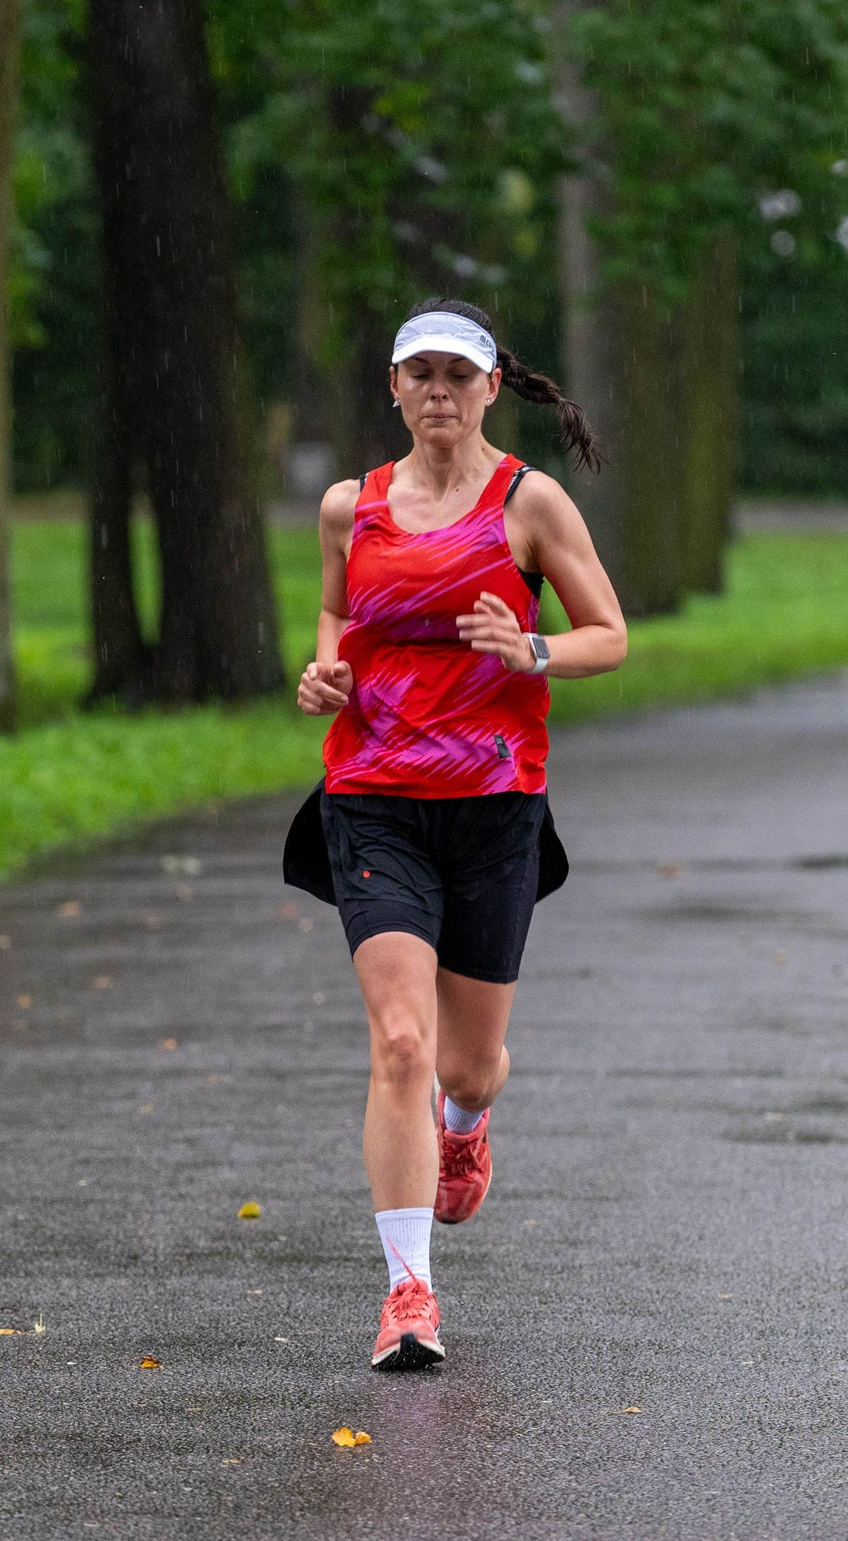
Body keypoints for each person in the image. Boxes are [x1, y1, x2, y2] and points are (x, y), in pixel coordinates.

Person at [285, 299, 628, 1371]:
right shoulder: (352, 506)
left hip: (492, 806)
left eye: (457, 374)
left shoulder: (529, 503)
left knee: (468, 1068)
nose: (438, 391)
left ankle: (465, 1128)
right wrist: (325, 669)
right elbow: (340, 616)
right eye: (418, 373)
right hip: (373, 793)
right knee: (399, 1042)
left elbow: (608, 637)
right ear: (392, 388)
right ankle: (407, 1294)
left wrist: (530, 651)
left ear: (490, 387)